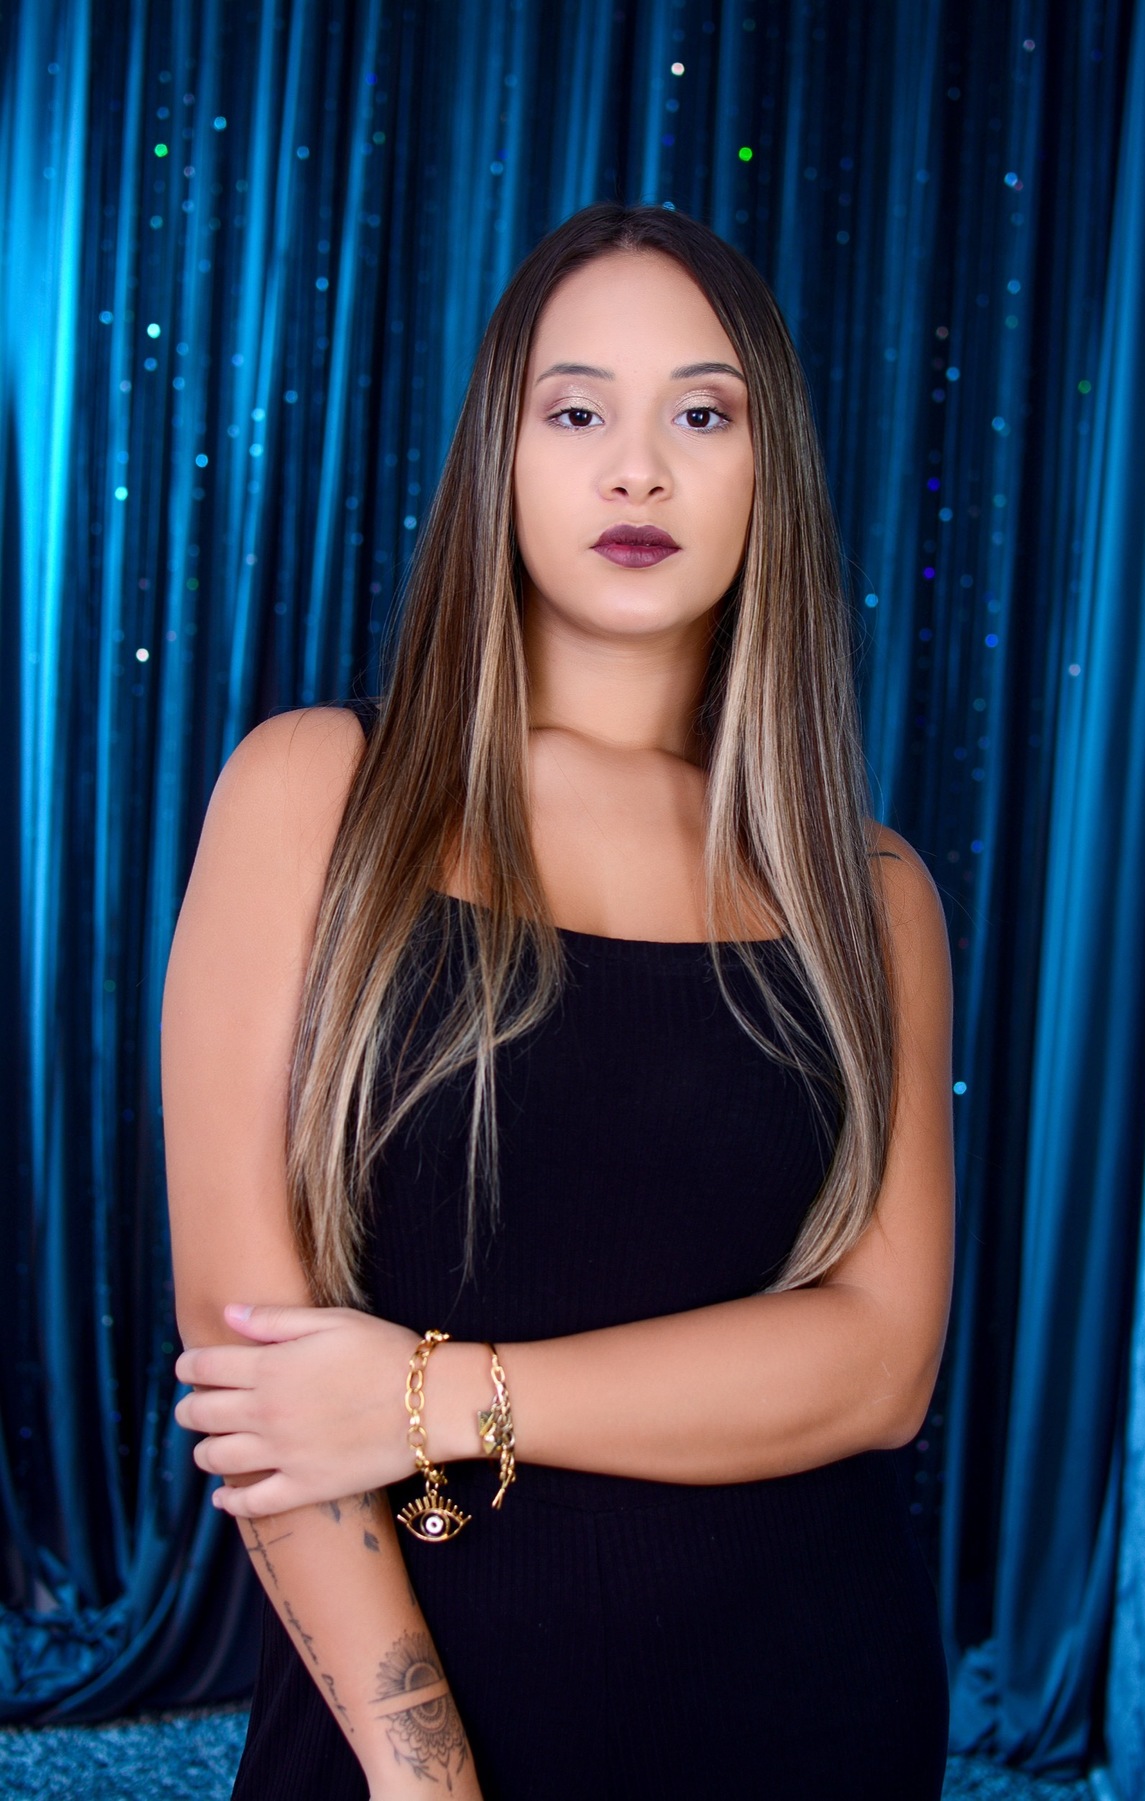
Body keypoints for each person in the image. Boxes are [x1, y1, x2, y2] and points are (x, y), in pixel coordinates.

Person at [162, 201, 955, 1800]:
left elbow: (880, 1367)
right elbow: (252, 1367)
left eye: (703, 415)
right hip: (414, 1738)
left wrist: (434, 1394)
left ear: (769, 473)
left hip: (808, 1708)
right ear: (499, 460)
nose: (638, 470)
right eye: (577, 412)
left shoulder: (871, 893)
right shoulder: (316, 789)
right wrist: (421, 1775)